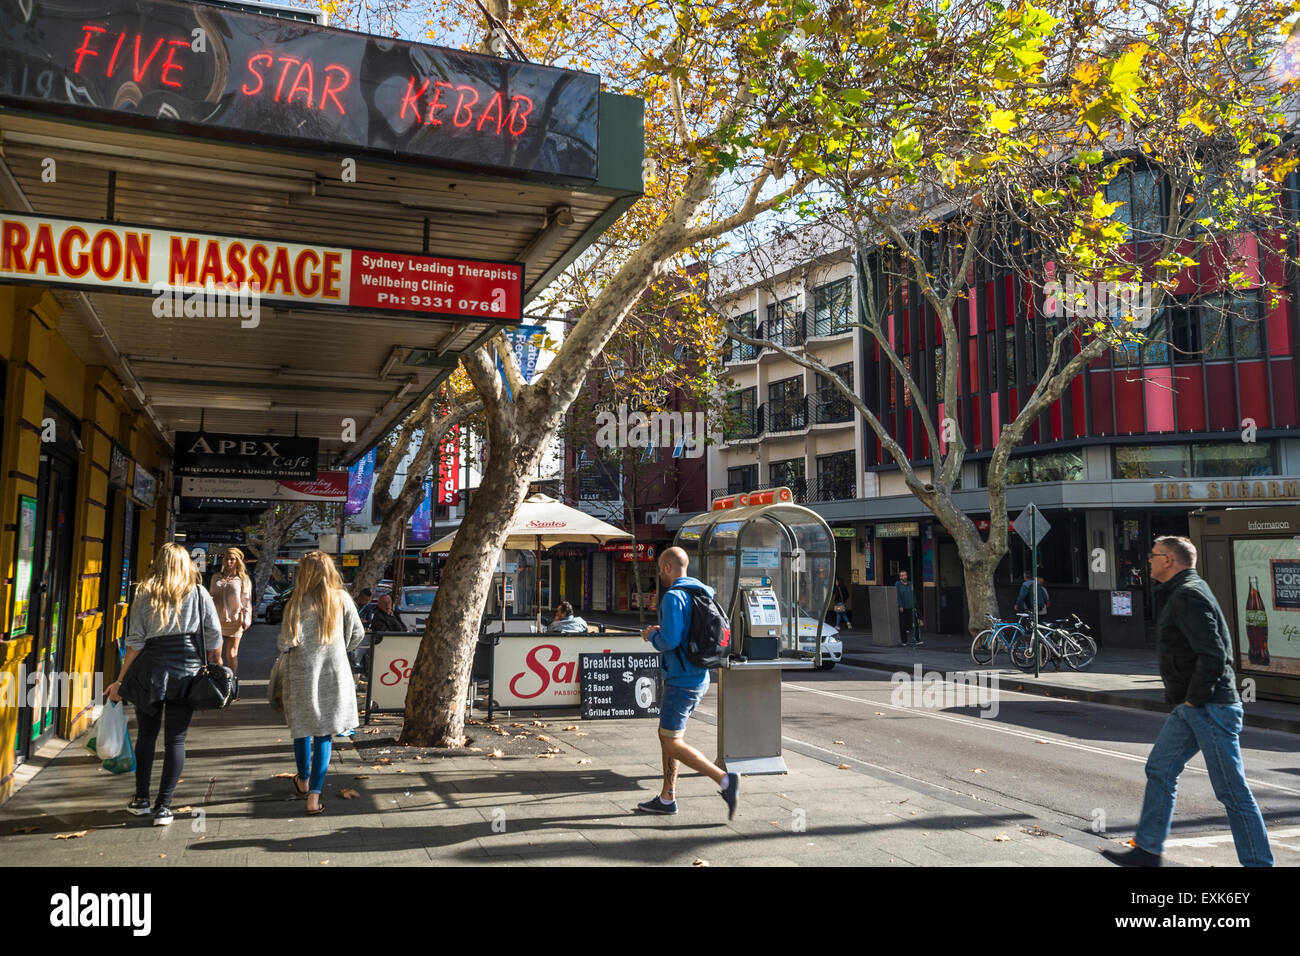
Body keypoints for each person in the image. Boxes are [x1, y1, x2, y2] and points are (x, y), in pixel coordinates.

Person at [1102, 536, 1273, 868]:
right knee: (1160, 769)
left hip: (1209, 706)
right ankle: (1148, 851)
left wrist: (1195, 699)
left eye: (1153, 556)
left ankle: (1259, 864)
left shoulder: (1187, 595)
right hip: (1192, 707)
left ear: (1169, 560)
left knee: (1231, 792)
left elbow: (1214, 654)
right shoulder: (1184, 591)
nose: (1148, 561)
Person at [106, 543, 222, 826]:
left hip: (151, 671)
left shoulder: (145, 593)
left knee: (146, 736)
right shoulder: (198, 593)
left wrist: (120, 681)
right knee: (176, 739)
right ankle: (164, 807)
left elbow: (135, 642)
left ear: (159, 563)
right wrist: (217, 665)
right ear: (187, 565)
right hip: (187, 671)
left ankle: (141, 799)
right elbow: (215, 634)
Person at [637, 546, 740, 819]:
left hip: (682, 680)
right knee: (669, 735)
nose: (659, 573)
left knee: (671, 742)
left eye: (660, 568)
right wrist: (665, 632)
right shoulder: (702, 593)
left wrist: (651, 636)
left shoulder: (673, 597)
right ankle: (667, 797)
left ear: (669, 567)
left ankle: (726, 781)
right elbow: (683, 633)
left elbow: (670, 641)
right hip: (698, 675)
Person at [277, 551, 365, 815]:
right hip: (333, 673)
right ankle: (314, 797)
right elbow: (358, 633)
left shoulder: (295, 602)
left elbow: (283, 642)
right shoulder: (341, 599)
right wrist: (338, 648)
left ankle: (303, 781)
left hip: (301, 673)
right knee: (324, 733)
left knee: (302, 728)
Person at [208, 547, 253, 686]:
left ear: (237, 561)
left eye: (232, 559)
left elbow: (247, 601)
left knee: (231, 654)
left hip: (235, 621)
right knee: (215, 655)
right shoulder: (216, 577)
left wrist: (247, 619)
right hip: (216, 620)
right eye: (227, 559)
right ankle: (220, 682)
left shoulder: (243, 579)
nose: (229, 562)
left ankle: (231, 684)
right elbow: (210, 596)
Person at [895, 570, 921, 646]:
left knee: (915, 623)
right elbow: (898, 595)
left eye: (905, 575)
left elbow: (914, 594)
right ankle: (904, 641)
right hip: (903, 607)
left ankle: (917, 639)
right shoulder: (898, 584)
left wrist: (915, 605)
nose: (904, 576)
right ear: (900, 577)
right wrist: (900, 605)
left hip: (911, 607)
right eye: (902, 575)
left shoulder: (910, 583)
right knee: (903, 624)